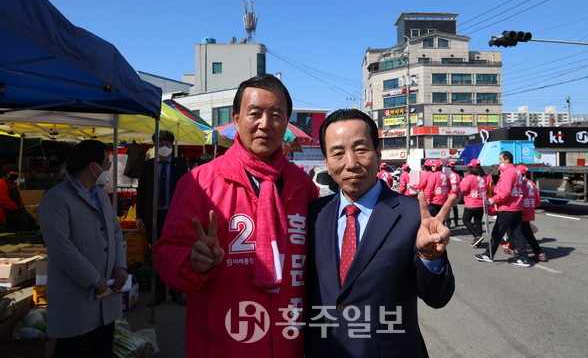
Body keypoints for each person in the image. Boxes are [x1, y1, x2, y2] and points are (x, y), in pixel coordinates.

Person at [153, 74, 319, 357]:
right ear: (237, 118)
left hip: (288, 344)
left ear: (287, 122)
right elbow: (166, 254)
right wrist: (193, 262)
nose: (265, 124)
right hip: (221, 345)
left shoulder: (303, 187)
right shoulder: (199, 183)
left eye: (276, 115)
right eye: (255, 113)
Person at [306, 109, 455, 358]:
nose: (350, 163)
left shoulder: (412, 216)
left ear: (377, 153)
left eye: (361, 149)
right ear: (327, 160)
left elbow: (437, 298)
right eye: (338, 153)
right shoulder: (313, 215)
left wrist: (431, 259)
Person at [38, 140, 128, 358]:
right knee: (72, 348)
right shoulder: (56, 198)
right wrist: (93, 278)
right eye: (106, 164)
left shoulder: (101, 196)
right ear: (92, 167)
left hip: (106, 292)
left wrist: (120, 267)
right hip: (76, 294)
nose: (108, 169)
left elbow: (115, 233)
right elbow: (61, 247)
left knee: (102, 348)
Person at [136, 130, 189, 306]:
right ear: (155, 146)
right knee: (157, 254)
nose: (164, 147)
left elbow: (187, 190)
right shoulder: (148, 165)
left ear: (172, 146)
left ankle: (176, 291)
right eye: (161, 144)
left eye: (167, 144)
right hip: (154, 215)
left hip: (174, 215)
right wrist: (139, 217)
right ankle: (158, 292)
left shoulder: (180, 164)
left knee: (176, 252)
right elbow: (141, 191)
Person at [475, 151, 531, 267]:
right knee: (517, 233)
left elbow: (504, 193)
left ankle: (489, 254)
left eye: (500, 159)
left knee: (497, 232)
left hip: (507, 207)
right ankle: (524, 257)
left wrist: (493, 199)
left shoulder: (508, 173)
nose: (498, 161)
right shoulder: (517, 172)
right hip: (517, 207)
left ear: (507, 160)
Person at [504, 165, 547, 262]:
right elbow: (537, 200)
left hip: (519, 210)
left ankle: (535, 253)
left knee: (521, 233)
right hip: (529, 210)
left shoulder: (518, 183)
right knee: (523, 231)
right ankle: (513, 248)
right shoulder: (531, 183)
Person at [460, 159, 493, 247]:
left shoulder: (470, 177)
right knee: (477, 221)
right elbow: (490, 188)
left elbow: (464, 189)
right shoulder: (485, 177)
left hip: (472, 202)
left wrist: (462, 182)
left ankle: (477, 236)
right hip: (481, 202)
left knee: (466, 220)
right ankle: (478, 240)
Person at [0, 164, 37, 232]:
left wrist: (22, 207)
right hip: (7, 211)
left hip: (15, 208)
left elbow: (18, 197)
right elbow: (3, 199)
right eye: (13, 172)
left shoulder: (13, 184)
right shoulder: (2, 183)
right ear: (6, 173)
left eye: (16, 172)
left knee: (31, 220)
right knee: (23, 221)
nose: (15, 174)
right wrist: (15, 207)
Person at [444, 161, 462, 228]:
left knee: (447, 209)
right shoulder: (457, 175)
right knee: (455, 207)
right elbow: (459, 184)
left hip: (449, 193)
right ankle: (456, 222)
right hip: (455, 193)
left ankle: (448, 223)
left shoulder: (446, 174)